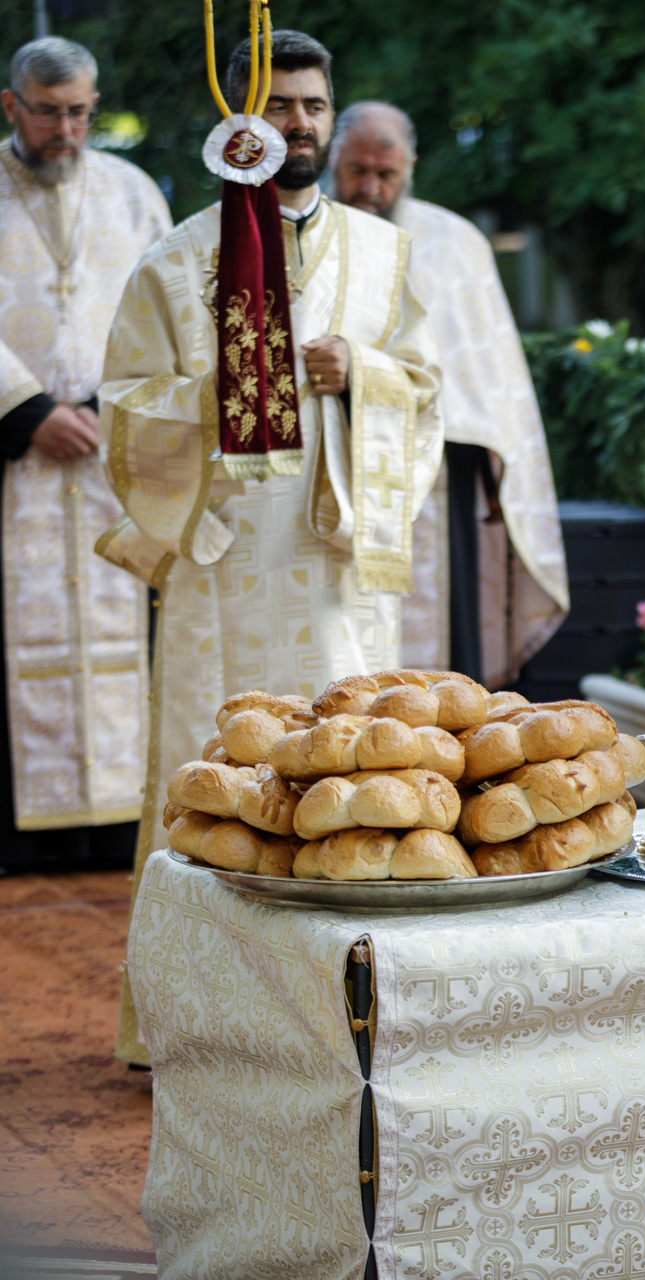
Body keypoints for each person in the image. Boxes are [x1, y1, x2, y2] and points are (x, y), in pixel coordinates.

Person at [99, 30, 440, 1063]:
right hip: (224, 569)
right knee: (219, 787)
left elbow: (425, 391)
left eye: (310, 106)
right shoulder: (173, 261)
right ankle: (198, 1025)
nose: (295, 124)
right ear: (234, 122)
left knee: (353, 781)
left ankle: (342, 1024)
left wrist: (362, 373)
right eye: (276, 105)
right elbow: (125, 411)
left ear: (332, 116)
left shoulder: (385, 252)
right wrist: (230, 388)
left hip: (336, 567)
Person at [0, 38, 169, 871]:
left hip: (114, 456)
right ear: (11, 106)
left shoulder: (134, 193)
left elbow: (175, 313)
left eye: (80, 112)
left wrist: (109, 405)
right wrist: (26, 409)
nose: (66, 129)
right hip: (10, 464)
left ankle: (113, 834)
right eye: (48, 111)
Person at [330, 100, 568, 687]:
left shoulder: (454, 242)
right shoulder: (308, 234)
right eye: (358, 171)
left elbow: (490, 378)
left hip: (437, 474)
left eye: (388, 175)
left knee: (440, 651)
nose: (371, 188)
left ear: (411, 165)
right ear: (333, 161)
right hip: (332, 465)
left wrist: (494, 474)